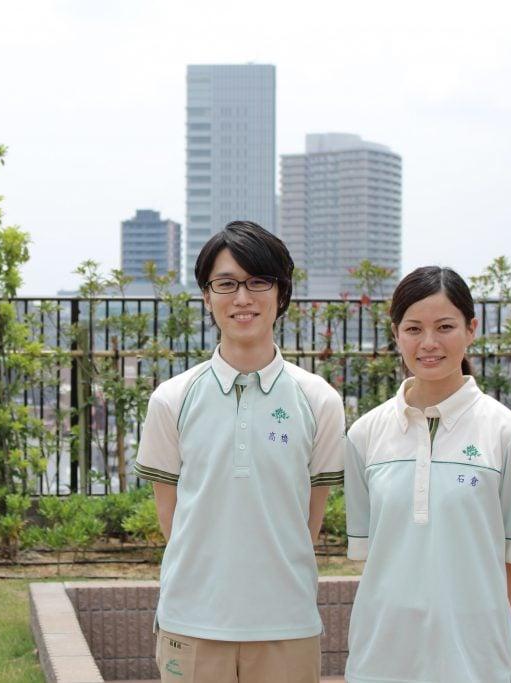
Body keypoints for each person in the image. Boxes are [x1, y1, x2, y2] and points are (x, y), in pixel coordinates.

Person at [134, 220, 346, 683]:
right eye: (226, 284)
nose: (242, 298)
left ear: (281, 293)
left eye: (258, 282)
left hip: (286, 623)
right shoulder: (171, 399)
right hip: (191, 621)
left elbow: (308, 522)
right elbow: (172, 521)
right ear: (207, 296)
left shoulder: (319, 400)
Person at [344, 266, 511, 683]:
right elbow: (372, 556)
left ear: (471, 329)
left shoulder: (510, 435)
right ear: (396, 333)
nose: (429, 343)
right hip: (382, 651)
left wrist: (480, 634)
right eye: (414, 328)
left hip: (472, 657)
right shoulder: (364, 434)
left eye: (445, 326)